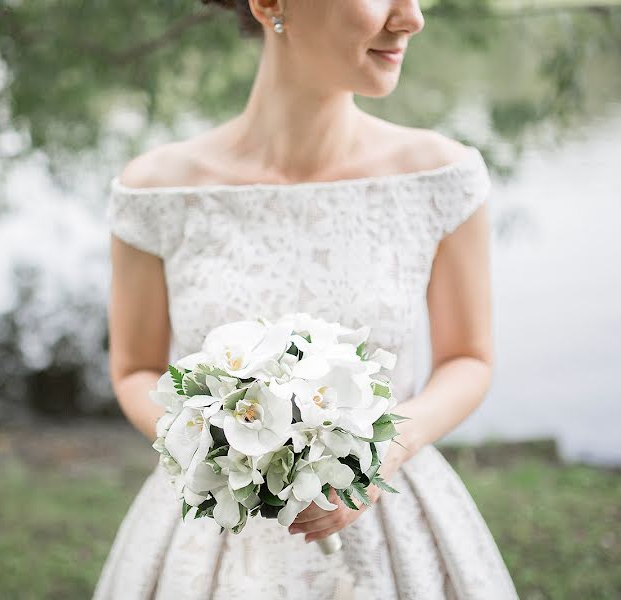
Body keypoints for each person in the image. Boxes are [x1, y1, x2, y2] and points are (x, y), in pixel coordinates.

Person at [92, 0, 520, 598]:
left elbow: (469, 359)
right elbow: (134, 370)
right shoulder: (156, 191)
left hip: (387, 514)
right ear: (269, 3)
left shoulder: (441, 177)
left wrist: (379, 456)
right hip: (215, 520)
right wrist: (224, 448)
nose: (411, 18)